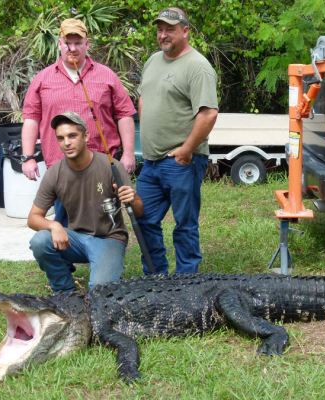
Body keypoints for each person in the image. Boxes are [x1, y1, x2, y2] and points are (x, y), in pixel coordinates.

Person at [21, 18, 137, 224]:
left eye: (77, 43)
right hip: (61, 166)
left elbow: (124, 114)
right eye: (67, 43)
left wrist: (128, 153)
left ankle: (105, 251)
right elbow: (31, 118)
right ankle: (67, 251)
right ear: (59, 44)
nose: (72, 48)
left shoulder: (107, 76)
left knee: (105, 218)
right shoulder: (42, 79)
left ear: (87, 44)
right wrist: (28, 157)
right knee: (64, 220)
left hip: (102, 165)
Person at [137, 7, 218, 275]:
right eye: (160, 29)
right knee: (144, 219)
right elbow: (143, 98)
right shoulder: (153, 61)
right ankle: (156, 277)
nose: (163, 35)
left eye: (169, 29)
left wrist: (187, 149)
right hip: (150, 162)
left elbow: (208, 113)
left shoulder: (198, 66)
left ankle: (186, 282)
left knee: (184, 223)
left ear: (185, 31)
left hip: (181, 161)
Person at [28, 112, 143, 293]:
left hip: (109, 238)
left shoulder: (111, 166)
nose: (66, 142)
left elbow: (139, 211)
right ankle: (65, 293)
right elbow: (33, 218)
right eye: (61, 138)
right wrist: (54, 226)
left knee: (99, 292)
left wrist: (133, 198)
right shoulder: (55, 172)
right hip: (75, 239)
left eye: (72, 136)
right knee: (40, 241)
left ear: (86, 136)